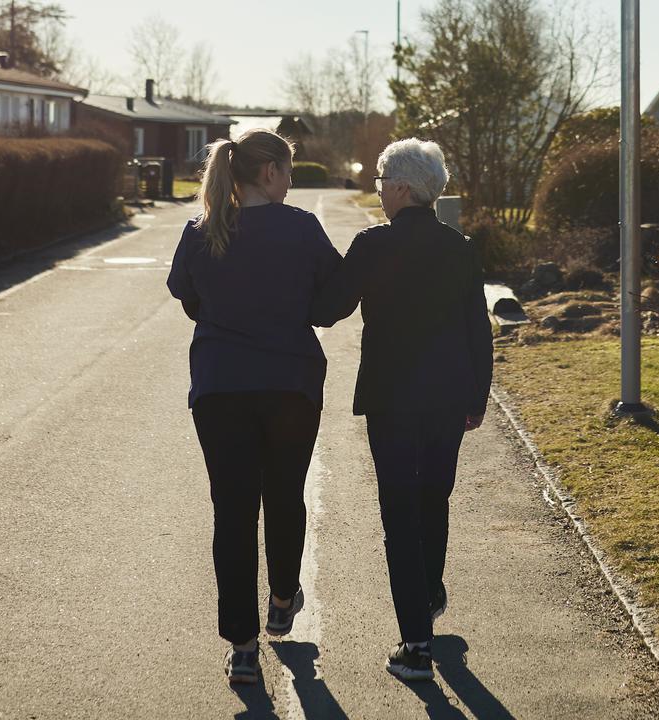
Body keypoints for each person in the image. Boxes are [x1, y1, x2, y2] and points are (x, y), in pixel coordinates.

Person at [310, 138, 493, 681]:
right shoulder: (460, 248)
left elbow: (328, 308)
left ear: (401, 188)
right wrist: (477, 396)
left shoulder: (373, 245)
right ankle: (428, 594)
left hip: (393, 397)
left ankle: (415, 644)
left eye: (381, 182)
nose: (379, 192)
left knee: (398, 510)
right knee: (434, 498)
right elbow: (477, 330)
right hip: (448, 396)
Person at [166, 129, 340, 684]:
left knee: (233, 512)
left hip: (221, 388)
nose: (290, 183)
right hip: (290, 384)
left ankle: (242, 646)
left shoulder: (202, 230)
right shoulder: (301, 228)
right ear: (269, 173)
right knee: (285, 494)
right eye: (288, 172)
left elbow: (186, 295)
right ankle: (284, 598)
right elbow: (333, 303)